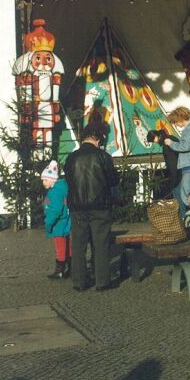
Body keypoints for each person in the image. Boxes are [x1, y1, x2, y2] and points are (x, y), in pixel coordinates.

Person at [64, 124, 119, 291]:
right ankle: (102, 282)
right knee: (101, 243)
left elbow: (68, 179)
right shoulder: (103, 156)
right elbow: (113, 180)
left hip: (77, 206)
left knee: (79, 245)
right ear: (96, 139)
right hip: (100, 206)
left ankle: (79, 282)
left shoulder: (71, 157)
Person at [163, 107, 190, 219]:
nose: (175, 125)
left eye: (175, 122)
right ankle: (189, 218)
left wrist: (170, 143)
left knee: (185, 195)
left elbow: (185, 146)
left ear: (180, 118)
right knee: (184, 193)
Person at [41, 160, 72, 280]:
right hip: (68, 221)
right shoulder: (64, 187)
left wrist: (48, 224)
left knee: (60, 247)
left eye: (45, 180)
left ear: (52, 179)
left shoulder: (53, 193)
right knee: (69, 246)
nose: (44, 183)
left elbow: (54, 210)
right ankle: (72, 268)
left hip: (58, 224)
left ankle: (59, 270)